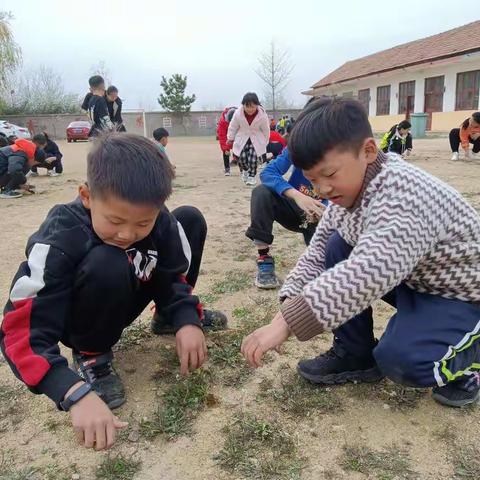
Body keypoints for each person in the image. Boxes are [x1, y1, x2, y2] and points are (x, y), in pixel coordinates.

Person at [241, 97, 480, 409]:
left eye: (329, 174)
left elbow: (368, 272)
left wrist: (287, 324)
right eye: (313, 180)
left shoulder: (403, 197)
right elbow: (317, 253)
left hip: (462, 296)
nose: (323, 189)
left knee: (402, 359)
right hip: (418, 281)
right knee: (337, 243)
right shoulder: (355, 187)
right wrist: (285, 308)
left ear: (368, 151)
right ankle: (356, 353)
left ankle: (470, 358)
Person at [0, 133, 227, 450]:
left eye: (142, 223)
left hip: (127, 290)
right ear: (87, 196)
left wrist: (186, 318)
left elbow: (173, 275)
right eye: (116, 220)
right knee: (108, 258)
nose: (127, 233)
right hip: (82, 313)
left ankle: (166, 318)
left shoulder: (158, 220)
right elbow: (21, 331)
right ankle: (92, 357)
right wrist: (70, 390)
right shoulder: (62, 235)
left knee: (187, 219)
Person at [246, 147, 327, 289]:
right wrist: (297, 195)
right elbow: (268, 172)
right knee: (262, 192)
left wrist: (327, 209)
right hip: (296, 207)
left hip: (326, 214)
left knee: (326, 271)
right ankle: (264, 258)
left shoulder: (342, 148)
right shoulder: (298, 145)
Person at [227, 92, 270, 186]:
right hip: (242, 138)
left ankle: (252, 176)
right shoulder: (238, 114)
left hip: (256, 139)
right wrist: (230, 138)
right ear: (243, 105)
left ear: (257, 105)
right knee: (241, 158)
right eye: (247, 106)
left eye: (253, 107)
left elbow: (266, 129)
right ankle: (245, 170)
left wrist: (265, 141)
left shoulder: (262, 115)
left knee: (253, 158)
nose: (250, 109)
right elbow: (233, 126)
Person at [216, 106, 236, 176]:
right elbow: (222, 137)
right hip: (226, 136)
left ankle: (243, 170)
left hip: (236, 135)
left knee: (240, 149)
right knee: (226, 152)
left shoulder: (241, 117)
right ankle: (227, 169)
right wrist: (226, 148)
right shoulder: (222, 122)